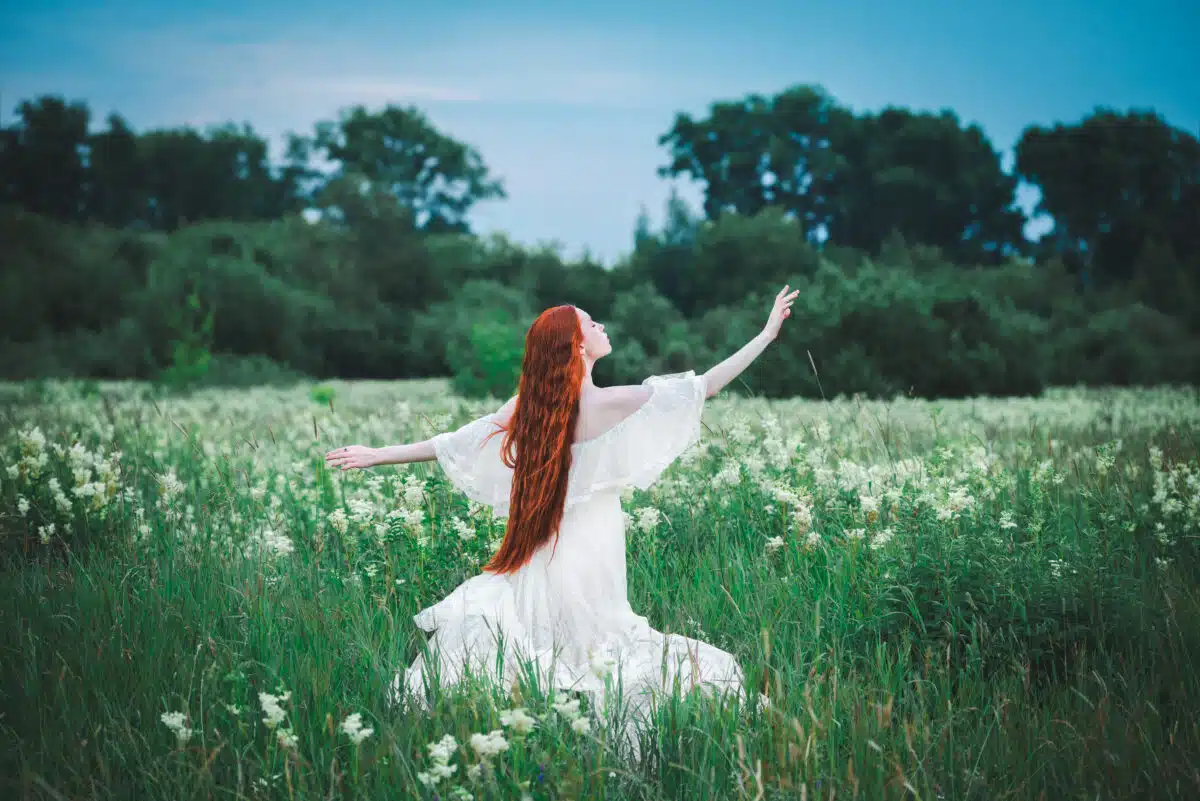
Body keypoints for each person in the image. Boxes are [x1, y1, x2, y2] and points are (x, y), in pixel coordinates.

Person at [325, 285, 798, 729]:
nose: (602, 328)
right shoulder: (610, 403)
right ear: (577, 346)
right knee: (594, 645)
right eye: (592, 324)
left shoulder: (532, 406)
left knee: (553, 641)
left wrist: (378, 455)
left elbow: (456, 440)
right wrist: (765, 334)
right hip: (589, 550)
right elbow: (706, 385)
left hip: (547, 550)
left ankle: (536, 714)